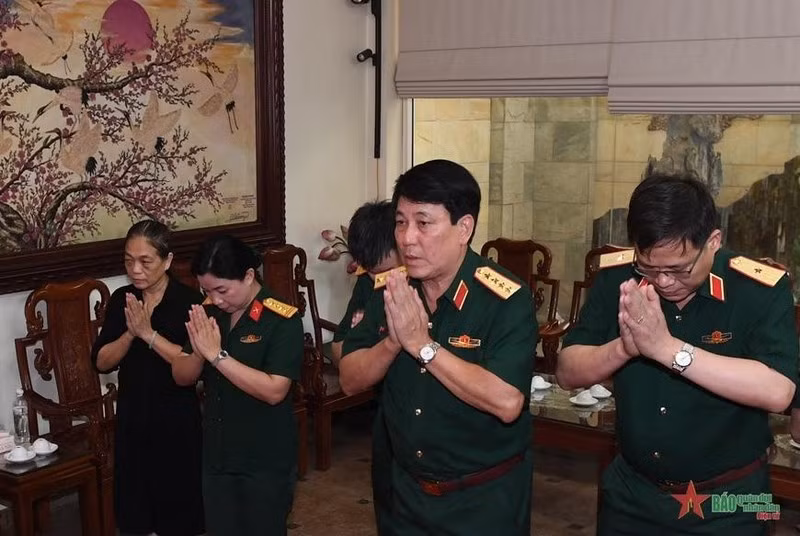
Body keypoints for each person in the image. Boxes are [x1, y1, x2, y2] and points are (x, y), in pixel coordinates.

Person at [557, 173, 798, 535]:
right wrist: (623, 347)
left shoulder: (759, 289)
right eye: (650, 267)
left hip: (734, 499)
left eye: (679, 269)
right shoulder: (617, 279)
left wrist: (669, 349)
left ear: (713, 242)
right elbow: (566, 370)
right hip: (633, 493)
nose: (664, 281)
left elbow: (778, 390)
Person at [340, 159, 537, 535]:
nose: (407, 238)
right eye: (400, 222)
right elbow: (350, 378)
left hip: (482, 500)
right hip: (405, 494)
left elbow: (507, 402)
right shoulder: (391, 289)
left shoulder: (505, 298)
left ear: (464, 228)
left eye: (423, 223)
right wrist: (394, 342)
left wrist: (423, 346)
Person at [170, 235, 303, 536]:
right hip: (218, 455)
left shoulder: (281, 319)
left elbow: (274, 391)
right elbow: (182, 376)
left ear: (248, 276)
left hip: (263, 459)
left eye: (222, 290)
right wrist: (198, 352)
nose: (216, 299)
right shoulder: (209, 312)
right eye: (206, 290)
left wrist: (217, 356)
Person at [91, 220, 205, 536]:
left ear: (167, 261)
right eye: (129, 260)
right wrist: (130, 333)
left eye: (145, 261)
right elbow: (101, 362)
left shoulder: (189, 303)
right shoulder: (122, 299)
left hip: (176, 421)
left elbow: (193, 363)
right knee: (135, 515)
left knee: (177, 515)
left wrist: (148, 333)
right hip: (132, 417)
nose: (135, 269)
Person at [330, 200, 399, 536]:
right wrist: (375, 350)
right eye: (369, 270)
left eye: (380, 269)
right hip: (388, 413)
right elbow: (340, 348)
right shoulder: (369, 280)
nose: (376, 278)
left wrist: (366, 350)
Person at [330, 200, 400, 364]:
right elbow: (338, 350)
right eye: (372, 272)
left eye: (385, 272)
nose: (378, 280)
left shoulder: (422, 279)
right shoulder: (366, 282)